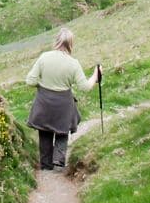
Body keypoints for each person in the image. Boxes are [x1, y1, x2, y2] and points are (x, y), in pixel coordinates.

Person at [25, 27, 100, 170]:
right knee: (62, 130)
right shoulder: (73, 63)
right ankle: (59, 161)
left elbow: (30, 81)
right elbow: (84, 87)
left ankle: (46, 165)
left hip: (44, 102)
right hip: (64, 104)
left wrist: (43, 85)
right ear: (71, 43)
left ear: (56, 41)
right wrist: (96, 76)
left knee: (44, 131)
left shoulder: (44, 57)